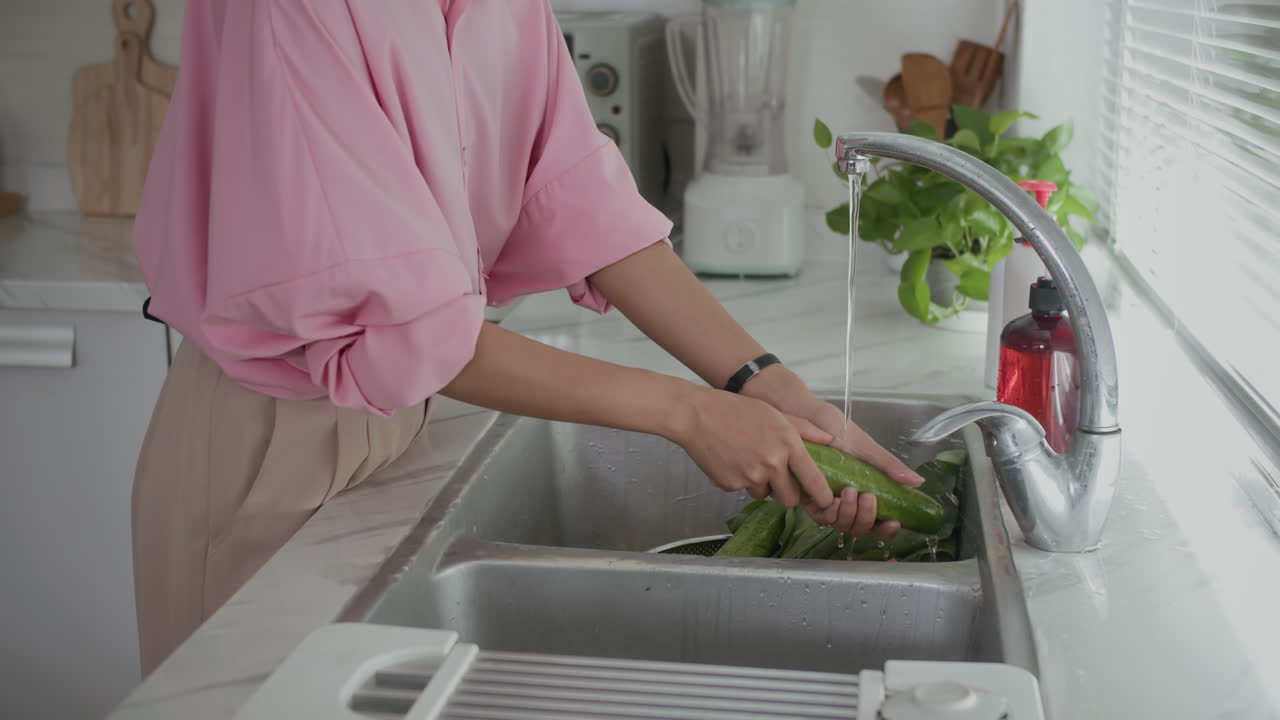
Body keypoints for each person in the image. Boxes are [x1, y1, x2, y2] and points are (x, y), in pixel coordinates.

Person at [129, 0, 924, 677]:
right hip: (271, 442)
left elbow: (577, 198)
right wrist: (690, 414)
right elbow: (401, 324)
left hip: (404, 422)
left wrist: (769, 386)